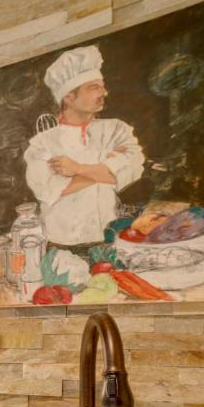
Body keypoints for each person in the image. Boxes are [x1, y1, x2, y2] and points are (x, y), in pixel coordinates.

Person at [24, 45, 145, 252]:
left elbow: (133, 169)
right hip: (62, 247)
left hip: (110, 242)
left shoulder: (116, 129)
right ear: (69, 97)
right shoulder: (42, 143)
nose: (104, 93)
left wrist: (77, 168)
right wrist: (105, 170)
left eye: (102, 86)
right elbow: (48, 190)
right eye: (93, 88)